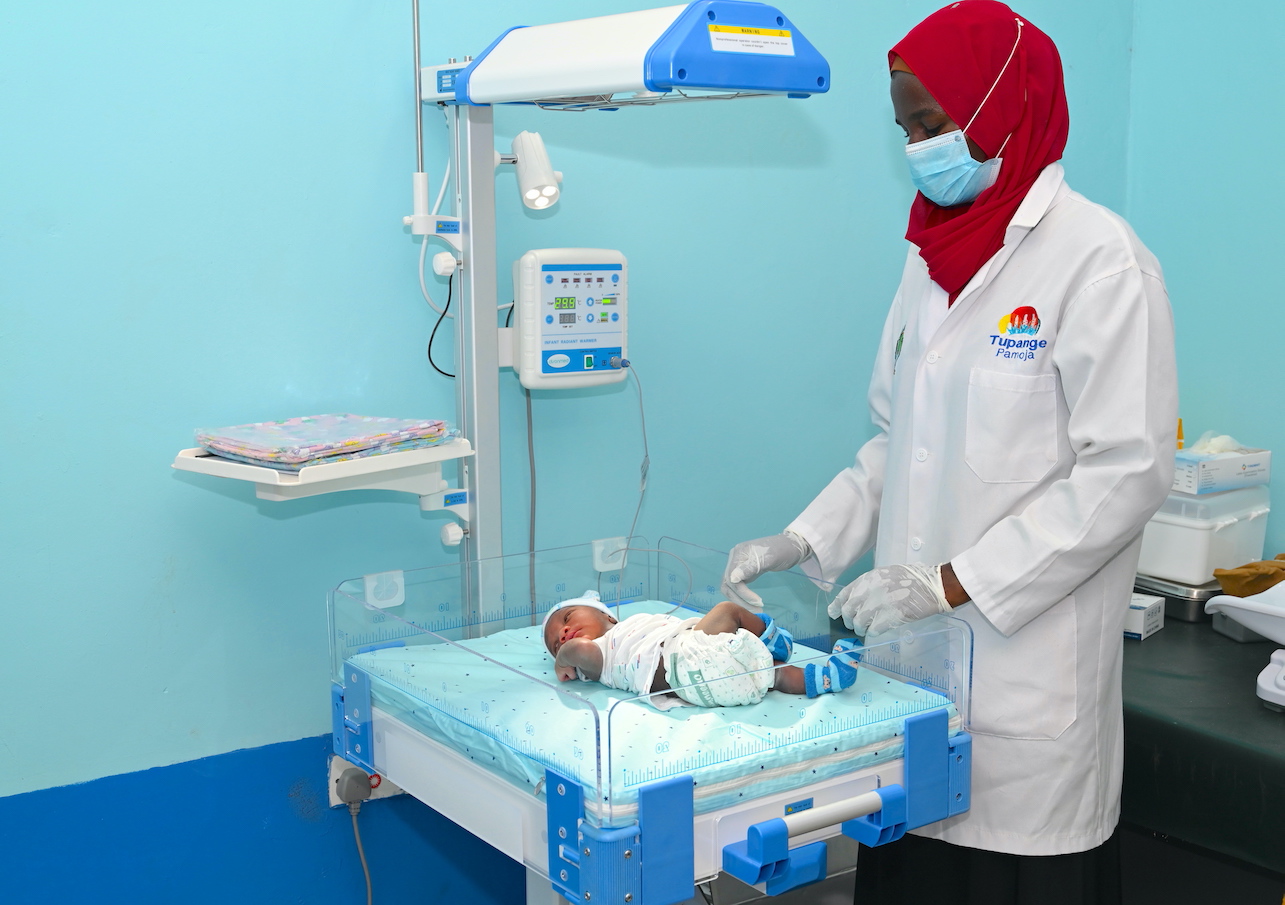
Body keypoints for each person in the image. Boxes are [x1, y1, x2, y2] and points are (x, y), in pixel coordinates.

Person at [722, 2, 1177, 903]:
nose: (920, 147)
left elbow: (1125, 473)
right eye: (905, 128)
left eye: (933, 123)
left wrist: (949, 581)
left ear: (1005, 102)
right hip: (910, 704)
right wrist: (803, 541)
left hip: (1029, 711)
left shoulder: (1099, 263)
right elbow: (901, 444)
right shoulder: (928, 256)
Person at [542, 591, 861, 704]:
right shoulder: (600, 654)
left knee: (771, 676)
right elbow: (580, 652)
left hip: (699, 687)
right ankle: (773, 639)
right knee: (728, 612)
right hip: (678, 660)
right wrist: (563, 660)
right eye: (557, 641)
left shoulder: (625, 627)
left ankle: (829, 677)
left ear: (604, 613)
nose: (565, 633)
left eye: (567, 618)